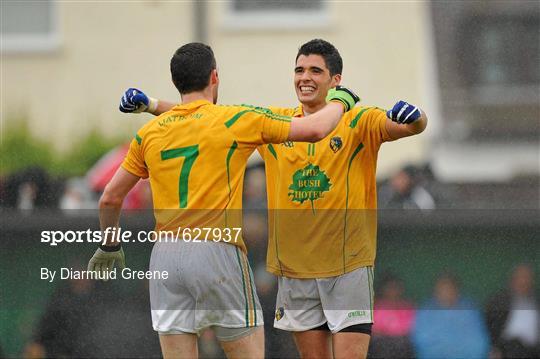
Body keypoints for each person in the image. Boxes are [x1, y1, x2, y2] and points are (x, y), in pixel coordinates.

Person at [120, 38, 427, 358]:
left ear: (336, 81)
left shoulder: (360, 120)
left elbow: (407, 126)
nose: (304, 77)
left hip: (347, 268)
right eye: (299, 69)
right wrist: (152, 104)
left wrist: (416, 117)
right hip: (295, 272)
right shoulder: (279, 121)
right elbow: (208, 117)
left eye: (315, 71)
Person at [87, 42, 359, 359]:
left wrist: (109, 245)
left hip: (165, 257)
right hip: (217, 249)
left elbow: (110, 198)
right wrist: (343, 100)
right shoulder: (235, 120)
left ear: (177, 81)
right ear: (214, 77)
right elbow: (315, 129)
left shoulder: (150, 133)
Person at [412, 273, 490, 358]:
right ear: (435, 292)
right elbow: (421, 339)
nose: (446, 293)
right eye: (441, 290)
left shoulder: (470, 310)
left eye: (449, 289)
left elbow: (478, 341)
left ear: (457, 291)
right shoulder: (426, 311)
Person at [485, 264, 539, 358]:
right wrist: (494, 348)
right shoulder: (499, 300)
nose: (524, 281)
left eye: (527, 278)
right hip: (508, 347)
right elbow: (490, 326)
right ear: (512, 280)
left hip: (534, 348)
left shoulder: (536, 301)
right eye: (520, 277)